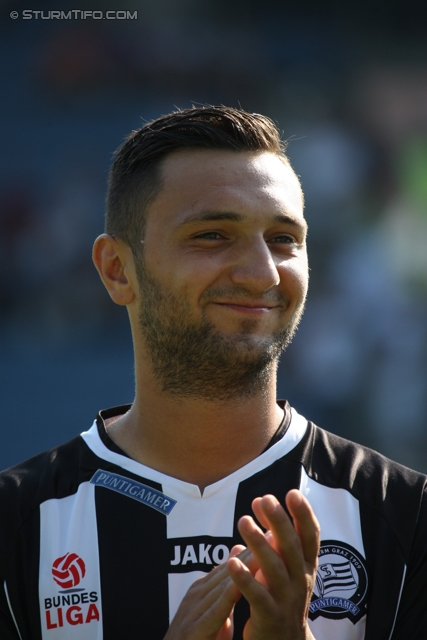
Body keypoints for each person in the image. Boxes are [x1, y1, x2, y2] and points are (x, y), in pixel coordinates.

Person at [0, 106, 426, 640]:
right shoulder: (16, 526)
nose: (262, 273)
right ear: (116, 270)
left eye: (283, 239)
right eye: (212, 235)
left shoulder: (406, 518)